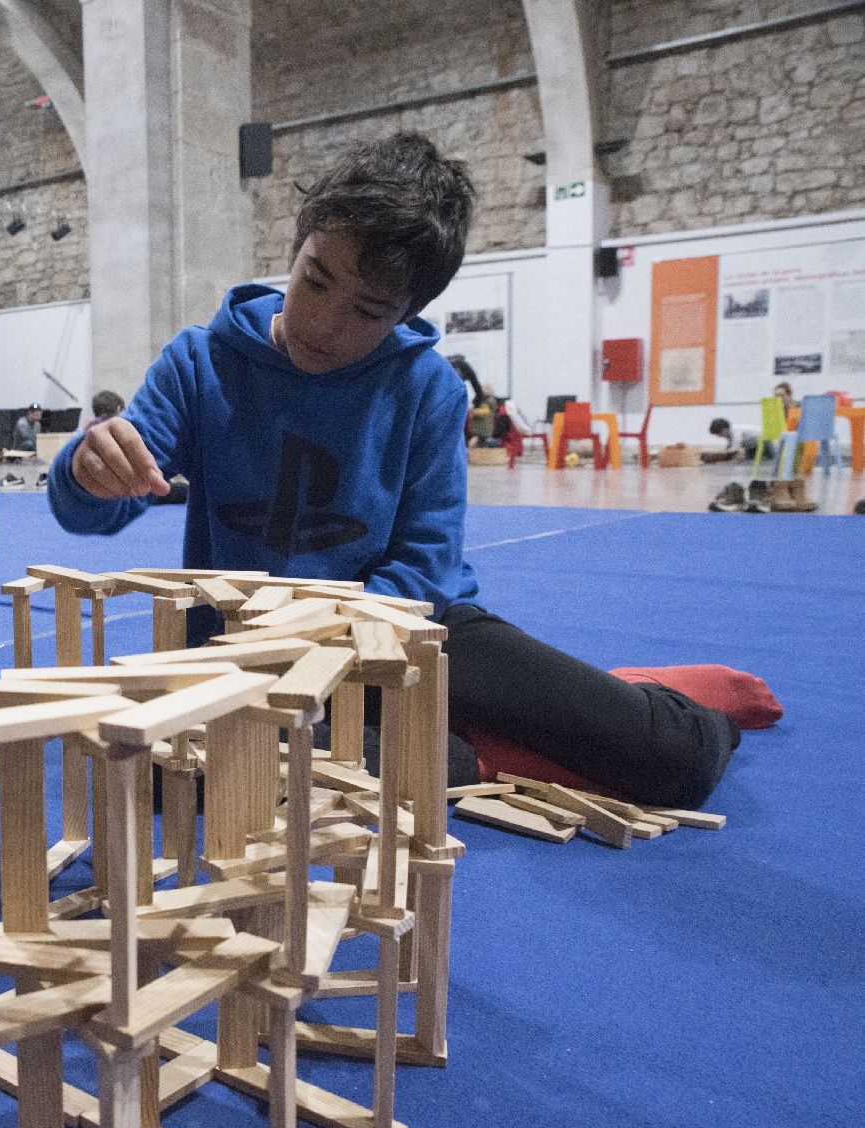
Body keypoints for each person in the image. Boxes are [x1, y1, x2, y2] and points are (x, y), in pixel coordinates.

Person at [48, 132, 755, 810]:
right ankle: (473, 753)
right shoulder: (200, 362)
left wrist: (322, 646)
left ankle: (659, 694)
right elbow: (93, 506)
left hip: (410, 637)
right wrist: (89, 469)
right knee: (192, 782)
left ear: (406, 314)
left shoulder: (428, 390)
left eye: (367, 310)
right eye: (315, 281)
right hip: (248, 659)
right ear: (293, 253)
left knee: (672, 762)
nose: (324, 323)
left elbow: (422, 569)